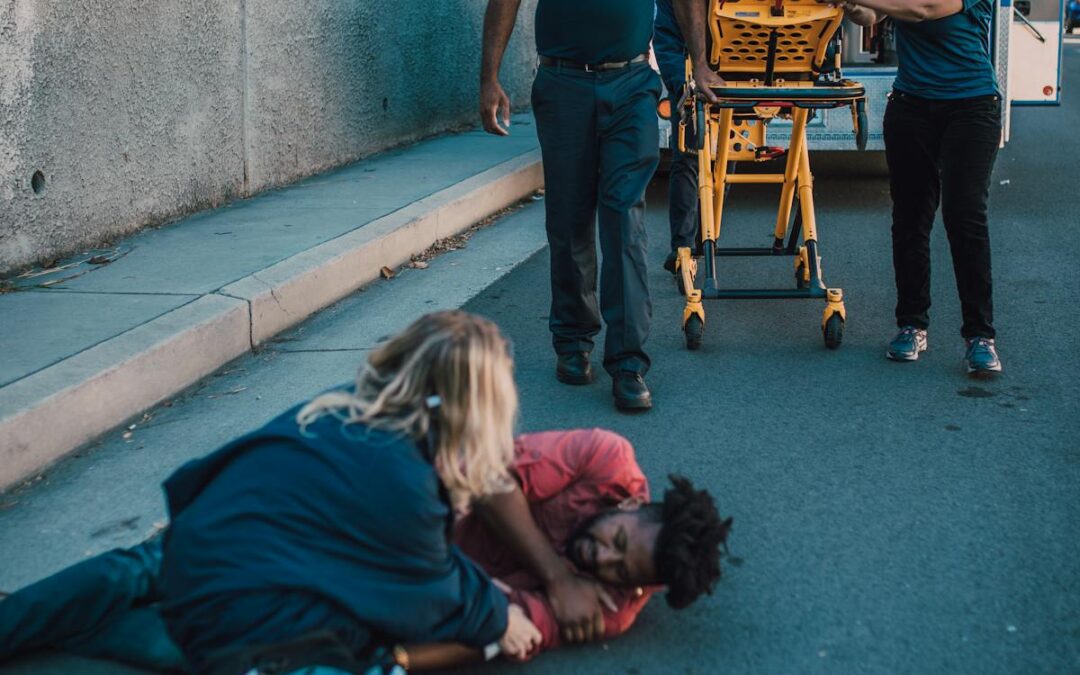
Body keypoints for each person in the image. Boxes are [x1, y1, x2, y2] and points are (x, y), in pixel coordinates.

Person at [0, 429, 733, 672]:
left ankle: (61, 628)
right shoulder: (604, 457)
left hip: (393, 591)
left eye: (618, 572)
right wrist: (551, 572)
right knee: (154, 564)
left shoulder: (612, 608)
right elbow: (482, 469)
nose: (600, 561)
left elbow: (496, 632)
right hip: (370, 510)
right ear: (636, 503)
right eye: (614, 543)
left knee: (216, 643)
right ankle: (18, 621)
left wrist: (395, 661)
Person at [159, 311, 539, 674]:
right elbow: (428, 595)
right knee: (375, 633)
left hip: (194, 566)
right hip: (229, 618)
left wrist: (476, 586)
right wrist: (502, 618)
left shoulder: (345, 408)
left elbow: (411, 560)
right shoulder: (403, 476)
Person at [479, 0, 662, 412]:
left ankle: (628, 364)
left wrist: (699, 61)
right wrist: (489, 78)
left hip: (632, 82)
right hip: (563, 84)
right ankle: (573, 340)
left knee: (624, 219)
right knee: (568, 217)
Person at [653, 0, 700, 276]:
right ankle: (683, 246)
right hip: (688, 84)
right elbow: (666, 40)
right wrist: (681, 88)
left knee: (723, 164)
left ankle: (708, 238)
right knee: (688, 160)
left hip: (734, 83)